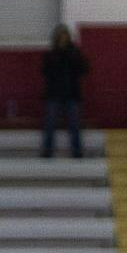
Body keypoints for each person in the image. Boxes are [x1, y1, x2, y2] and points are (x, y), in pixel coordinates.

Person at [40, 26, 89, 160]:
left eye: (64, 36)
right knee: (50, 124)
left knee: (74, 125)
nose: (63, 39)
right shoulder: (51, 54)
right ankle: (47, 151)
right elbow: (45, 71)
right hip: (55, 93)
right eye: (61, 36)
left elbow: (83, 69)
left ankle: (77, 152)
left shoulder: (74, 53)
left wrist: (69, 54)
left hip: (70, 93)